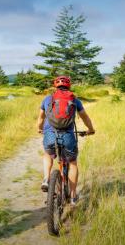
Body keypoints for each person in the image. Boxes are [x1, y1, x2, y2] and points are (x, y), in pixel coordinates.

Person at [37, 76, 95, 206]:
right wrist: (90, 129)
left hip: (50, 135)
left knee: (48, 154)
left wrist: (40, 129)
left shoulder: (47, 99)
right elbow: (85, 117)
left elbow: (41, 118)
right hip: (68, 136)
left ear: (55, 86)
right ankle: (73, 196)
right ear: (69, 86)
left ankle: (46, 179)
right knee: (72, 163)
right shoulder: (74, 100)